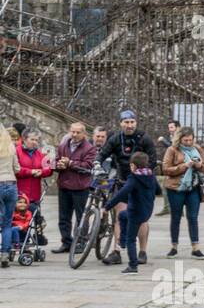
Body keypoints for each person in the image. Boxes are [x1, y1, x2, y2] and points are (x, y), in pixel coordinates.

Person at [98, 110, 158, 264]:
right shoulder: (115, 139)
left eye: (132, 122)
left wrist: (140, 174)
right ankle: (116, 251)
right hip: (122, 180)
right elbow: (103, 154)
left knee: (141, 219)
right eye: (126, 122)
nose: (129, 125)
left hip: (141, 184)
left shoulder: (145, 139)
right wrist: (97, 164)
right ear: (121, 123)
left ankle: (142, 252)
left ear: (136, 123)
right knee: (120, 216)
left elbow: (152, 161)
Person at [104, 150, 157, 273]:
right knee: (122, 215)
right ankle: (121, 241)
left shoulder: (134, 178)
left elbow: (122, 194)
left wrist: (107, 206)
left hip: (135, 212)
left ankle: (133, 266)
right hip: (146, 211)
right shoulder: (151, 176)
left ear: (133, 166)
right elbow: (158, 191)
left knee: (131, 239)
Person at [160, 126, 204, 259]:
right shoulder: (172, 150)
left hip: (193, 187)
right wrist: (183, 166)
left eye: (190, 140)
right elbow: (165, 169)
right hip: (176, 188)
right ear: (179, 139)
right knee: (175, 218)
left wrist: (199, 166)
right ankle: (174, 246)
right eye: (185, 140)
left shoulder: (197, 149)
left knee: (193, 217)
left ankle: (195, 247)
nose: (188, 143)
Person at [52, 121, 96, 254]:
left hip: (80, 187)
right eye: (73, 132)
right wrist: (57, 165)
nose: (75, 134)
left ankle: (81, 242)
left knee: (81, 217)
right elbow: (56, 160)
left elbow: (88, 166)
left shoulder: (89, 148)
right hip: (64, 185)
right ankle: (66, 242)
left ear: (84, 133)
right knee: (64, 217)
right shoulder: (63, 145)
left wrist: (70, 163)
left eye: (78, 132)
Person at [15, 129, 53, 210]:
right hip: (19, 195)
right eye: (32, 139)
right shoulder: (16, 151)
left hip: (34, 196)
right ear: (24, 139)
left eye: (36, 140)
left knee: (33, 219)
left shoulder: (40, 154)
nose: (34, 142)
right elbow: (15, 169)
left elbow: (49, 169)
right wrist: (30, 172)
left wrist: (41, 172)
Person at [0, 128, 17, 267]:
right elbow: (16, 168)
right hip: (11, 185)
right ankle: (5, 254)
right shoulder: (11, 147)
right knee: (7, 223)